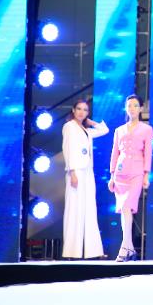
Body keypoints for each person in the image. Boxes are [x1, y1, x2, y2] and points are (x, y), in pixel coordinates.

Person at [62, 99, 109, 259]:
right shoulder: (69, 127)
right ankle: (71, 252)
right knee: (74, 210)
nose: (82, 112)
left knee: (89, 210)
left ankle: (93, 251)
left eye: (85, 110)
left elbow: (104, 130)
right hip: (76, 172)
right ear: (73, 110)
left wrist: (91, 122)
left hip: (87, 172)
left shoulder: (86, 129)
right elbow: (67, 150)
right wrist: (72, 172)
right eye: (79, 109)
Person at [108, 94, 152, 262]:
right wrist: (112, 175)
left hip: (137, 172)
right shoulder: (119, 130)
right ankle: (129, 248)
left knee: (127, 206)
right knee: (123, 209)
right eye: (129, 106)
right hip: (120, 173)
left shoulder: (146, 129)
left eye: (135, 105)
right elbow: (115, 153)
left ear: (141, 108)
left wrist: (146, 174)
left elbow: (148, 153)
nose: (132, 108)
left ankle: (124, 248)